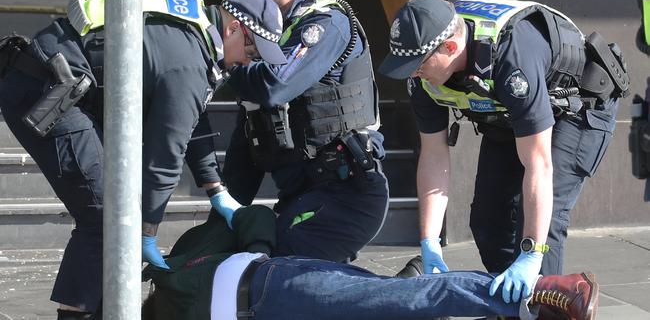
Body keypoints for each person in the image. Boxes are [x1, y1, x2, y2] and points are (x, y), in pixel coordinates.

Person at [0, 0, 286, 319]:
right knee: (107, 219)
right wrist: (147, 231)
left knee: (116, 219)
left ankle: (103, 310)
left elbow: (192, 115)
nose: (250, 59)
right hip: (48, 91)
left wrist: (214, 187)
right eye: (252, 48)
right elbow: (165, 160)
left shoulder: (195, 32)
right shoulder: (188, 62)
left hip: (59, 82)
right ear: (233, 27)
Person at [378, 0, 627, 304]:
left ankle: (544, 305)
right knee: (487, 223)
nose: (412, 73)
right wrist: (430, 241)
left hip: (578, 107)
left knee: (539, 225)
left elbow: (539, 164)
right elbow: (433, 154)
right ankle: (512, 304)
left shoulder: (512, 58)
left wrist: (531, 255)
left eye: (418, 65)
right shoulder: (425, 74)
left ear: (451, 49)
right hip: (508, 112)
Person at [214, 0, 390, 263]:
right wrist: (225, 211)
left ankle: (408, 297)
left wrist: (223, 60)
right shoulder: (268, 32)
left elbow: (273, 86)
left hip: (345, 193)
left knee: (285, 275)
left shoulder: (325, 23)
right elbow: (251, 130)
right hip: (302, 193)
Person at [141, 204, 600, 320]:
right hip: (268, 304)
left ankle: (540, 293)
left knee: (404, 301)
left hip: (271, 285)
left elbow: (252, 217)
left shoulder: (173, 267)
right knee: (398, 305)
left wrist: (258, 251)